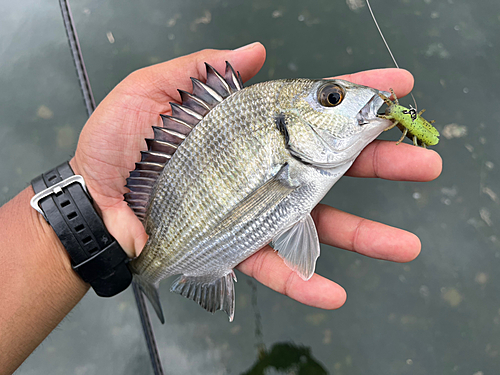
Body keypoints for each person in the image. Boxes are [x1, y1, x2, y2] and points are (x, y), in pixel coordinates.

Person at [0, 42, 442, 374]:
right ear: (287, 128)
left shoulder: (299, 151)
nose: (354, 99)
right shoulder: (276, 140)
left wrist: (83, 216)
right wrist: (95, 199)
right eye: (331, 99)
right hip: (179, 229)